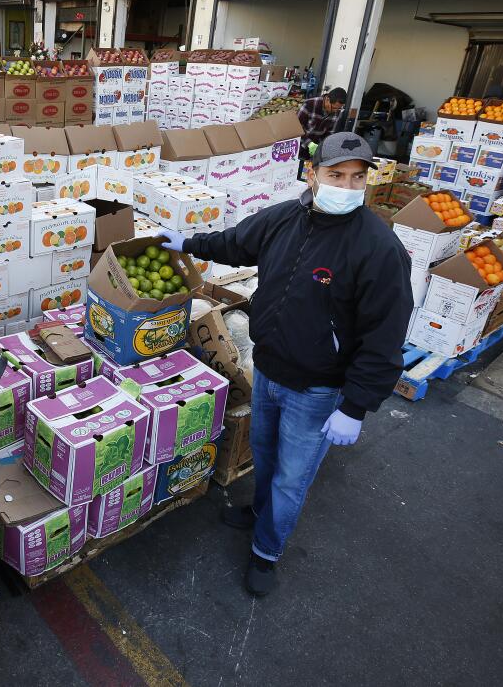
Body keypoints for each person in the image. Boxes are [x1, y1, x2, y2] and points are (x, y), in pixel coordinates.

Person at [158, 132, 413, 597]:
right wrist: (186, 242)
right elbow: (236, 243)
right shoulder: (284, 219)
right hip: (269, 370)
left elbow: (385, 336)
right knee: (266, 455)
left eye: (358, 178)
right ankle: (258, 512)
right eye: (336, 175)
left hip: (317, 389)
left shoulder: (378, 248)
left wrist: (355, 406)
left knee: (293, 478)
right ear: (312, 175)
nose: (347, 185)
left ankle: (266, 551)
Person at [298, 87, 346, 158]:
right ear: (327, 99)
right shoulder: (310, 104)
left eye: (339, 108)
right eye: (334, 108)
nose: (336, 111)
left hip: (316, 148)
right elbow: (296, 127)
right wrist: (309, 143)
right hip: (299, 144)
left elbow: (330, 133)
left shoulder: (337, 112)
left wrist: (323, 147)